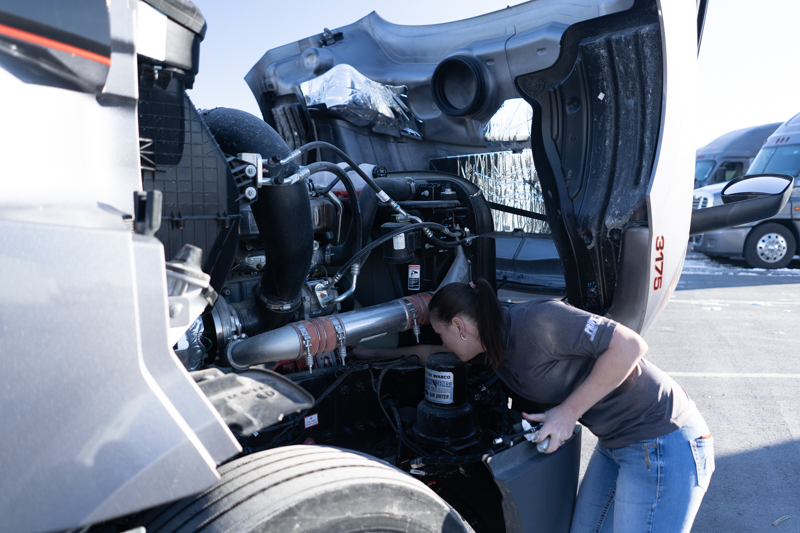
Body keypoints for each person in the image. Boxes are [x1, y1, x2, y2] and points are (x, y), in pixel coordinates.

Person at [355, 278, 714, 533]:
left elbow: (630, 346)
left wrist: (567, 412)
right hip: (616, 444)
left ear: (460, 326)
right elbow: (427, 355)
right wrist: (372, 354)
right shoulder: (494, 347)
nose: (442, 342)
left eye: (442, 333)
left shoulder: (538, 321)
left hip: (663, 440)